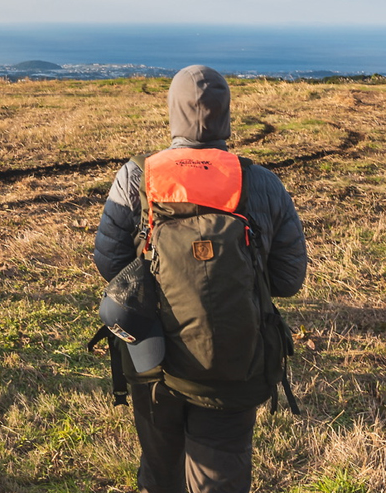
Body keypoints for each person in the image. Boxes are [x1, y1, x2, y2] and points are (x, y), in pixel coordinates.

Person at [92, 65, 308, 493]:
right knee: (220, 477)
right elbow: (288, 278)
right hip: (234, 357)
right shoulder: (261, 182)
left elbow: (110, 266)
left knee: (160, 471)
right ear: (226, 114)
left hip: (149, 357)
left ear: (173, 112)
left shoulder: (136, 175)